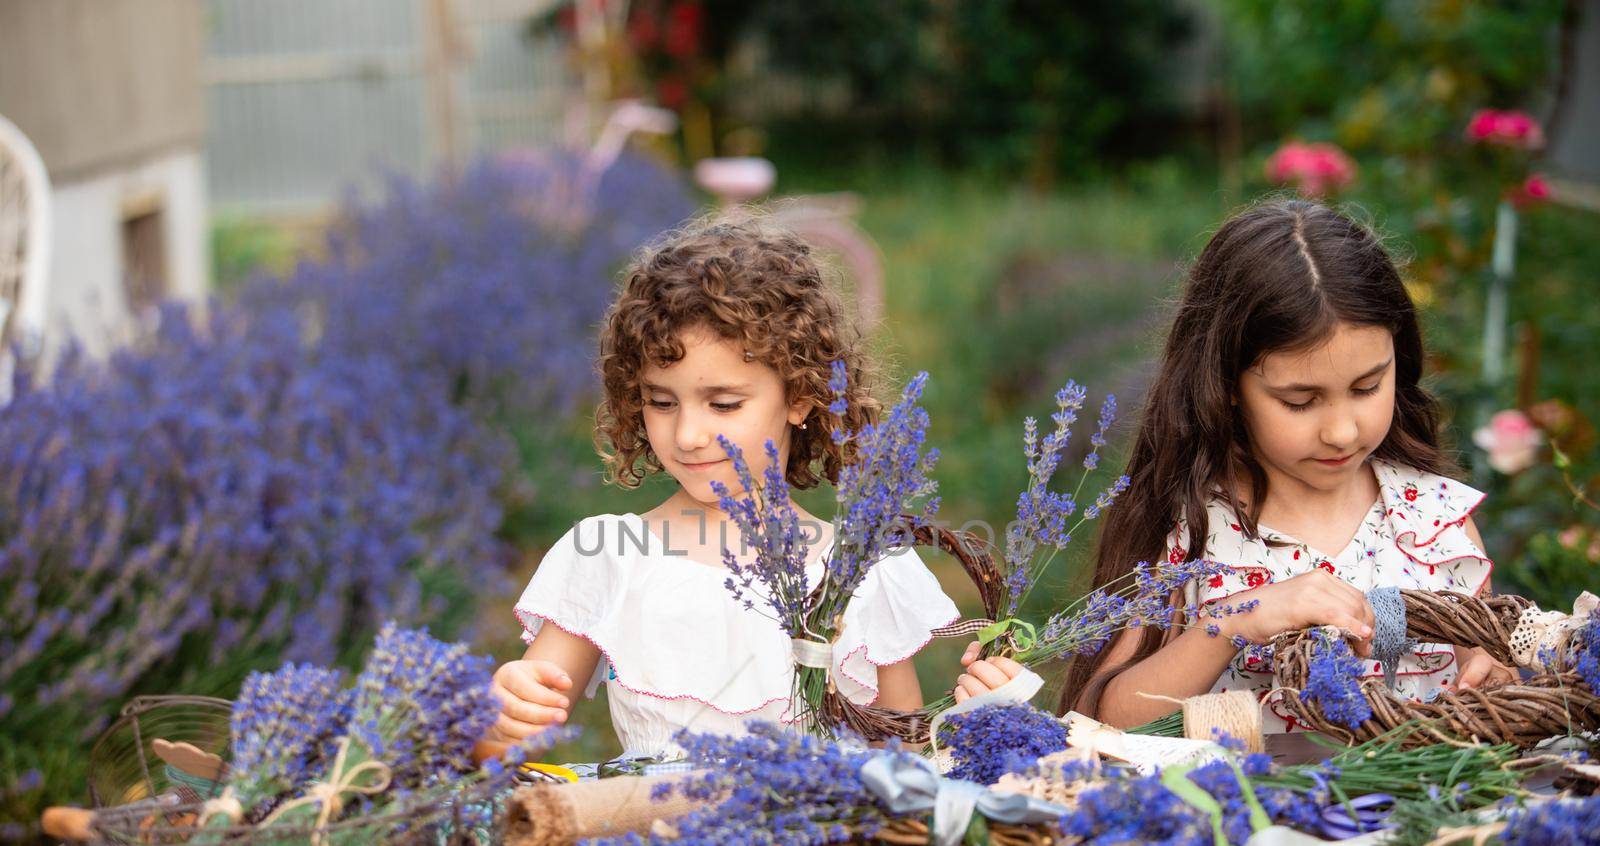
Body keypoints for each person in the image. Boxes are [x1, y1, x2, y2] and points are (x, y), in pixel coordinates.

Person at [954, 199, 1508, 731]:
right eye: (1299, 400)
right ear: (1226, 387)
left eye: (1367, 387)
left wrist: (1492, 675)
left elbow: (1493, 666)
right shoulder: (1192, 529)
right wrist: (1235, 622)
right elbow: (1103, 718)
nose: (1342, 430)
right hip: (1237, 817)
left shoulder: (1435, 521)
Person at [486, 216, 957, 757]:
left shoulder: (865, 574)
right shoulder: (611, 558)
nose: (687, 435)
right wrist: (498, 723)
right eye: (661, 402)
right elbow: (509, 746)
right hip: (652, 836)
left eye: (724, 404)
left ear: (800, 397)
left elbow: (907, 762)